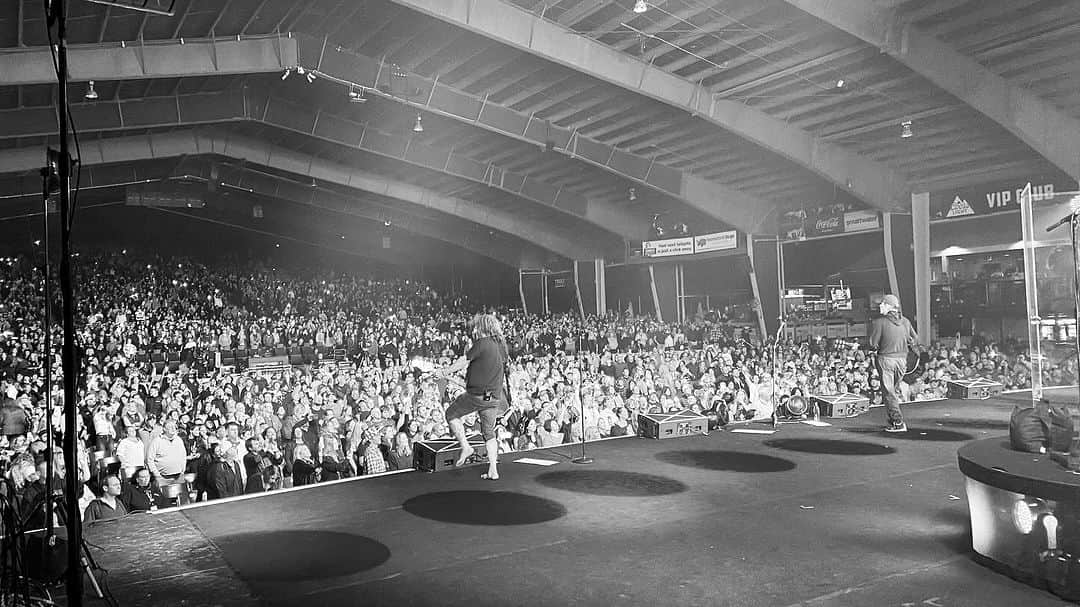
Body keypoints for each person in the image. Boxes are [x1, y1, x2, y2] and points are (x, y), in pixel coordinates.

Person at [441, 314, 509, 480]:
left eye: (477, 327)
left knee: (451, 414)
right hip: (493, 398)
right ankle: (493, 470)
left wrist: (445, 372)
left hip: (477, 395)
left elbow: (464, 360)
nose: (475, 330)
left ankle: (466, 446)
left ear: (484, 327)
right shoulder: (501, 345)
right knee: (489, 433)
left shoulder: (482, 342)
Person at [869, 294, 918, 433]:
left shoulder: (879, 322)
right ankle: (892, 420)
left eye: (883, 304)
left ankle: (898, 422)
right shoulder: (906, 322)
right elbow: (914, 339)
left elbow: (873, 344)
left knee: (889, 392)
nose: (880, 306)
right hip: (902, 361)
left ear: (890, 307)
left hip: (886, 360)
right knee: (893, 391)